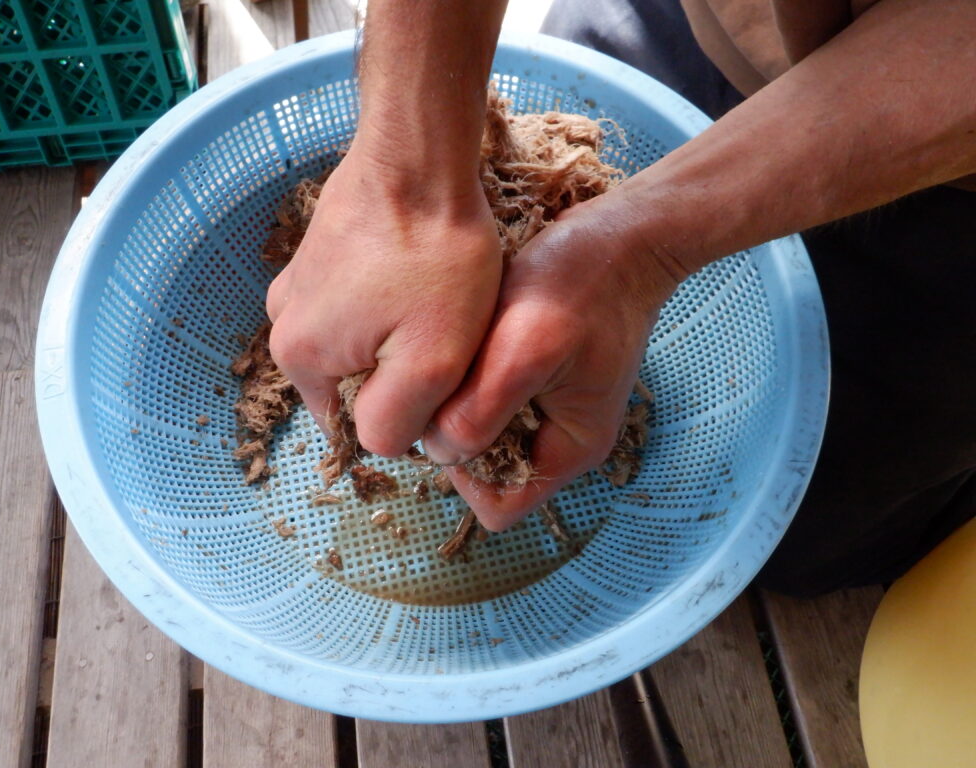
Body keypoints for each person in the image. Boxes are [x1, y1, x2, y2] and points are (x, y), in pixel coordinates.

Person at [265, 0, 976, 596]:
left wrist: (635, 252)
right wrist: (408, 169)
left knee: (807, 532)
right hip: (702, 17)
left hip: (940, 163)